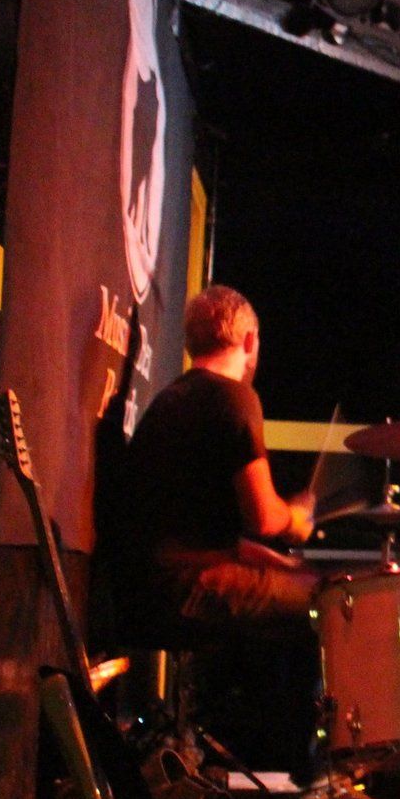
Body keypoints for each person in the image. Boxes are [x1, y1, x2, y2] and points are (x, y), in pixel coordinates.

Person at [122, 284, 319, 771]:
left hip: (144, 588)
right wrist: (297, 518)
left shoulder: (171, 400)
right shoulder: (235, 399)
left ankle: (213, 751)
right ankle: (304, 766)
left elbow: (190, 523)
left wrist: (260, 557)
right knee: (323, 603)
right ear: (249, 341)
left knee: (290, 582)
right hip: (185, 590)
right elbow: (265, 518)